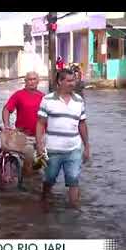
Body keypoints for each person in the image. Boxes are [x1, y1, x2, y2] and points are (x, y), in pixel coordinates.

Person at [36, 68, 89, 208]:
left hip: (74, 149)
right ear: (60, 81)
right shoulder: (47, 100)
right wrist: (40, 145)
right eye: (69, 80)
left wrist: (87, 147)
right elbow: (40, 124)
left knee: (73, 180)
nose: (73, 83)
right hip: (52, 150)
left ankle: (74, 210)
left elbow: (82, 124)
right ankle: (44, 201)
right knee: (49, 179)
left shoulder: (79, 100)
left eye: (74, 80)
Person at [2, 71, 45, 175]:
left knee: (40, 166)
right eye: (29, 79)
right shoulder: (19, 95)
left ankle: (35, 180)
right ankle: (26, 182)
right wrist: (7, 125)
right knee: (29, 155)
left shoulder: (44, 97)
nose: (32, 82)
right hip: (23, 135)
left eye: (34, 79)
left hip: (41, 137)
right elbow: (6, 109)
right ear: (25, 81)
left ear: (38, 81)